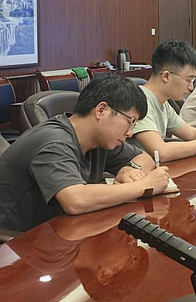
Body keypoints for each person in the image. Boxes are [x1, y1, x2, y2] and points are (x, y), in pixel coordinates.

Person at [0, 75, 169, 233]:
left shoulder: (100, 139)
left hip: (61, 231)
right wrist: (143, 186)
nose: (130, 133)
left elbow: (144, 159)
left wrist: (130, 170)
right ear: (101, 110)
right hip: (16, 243)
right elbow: (75, 200)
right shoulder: (54, 141)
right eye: (130, 122)